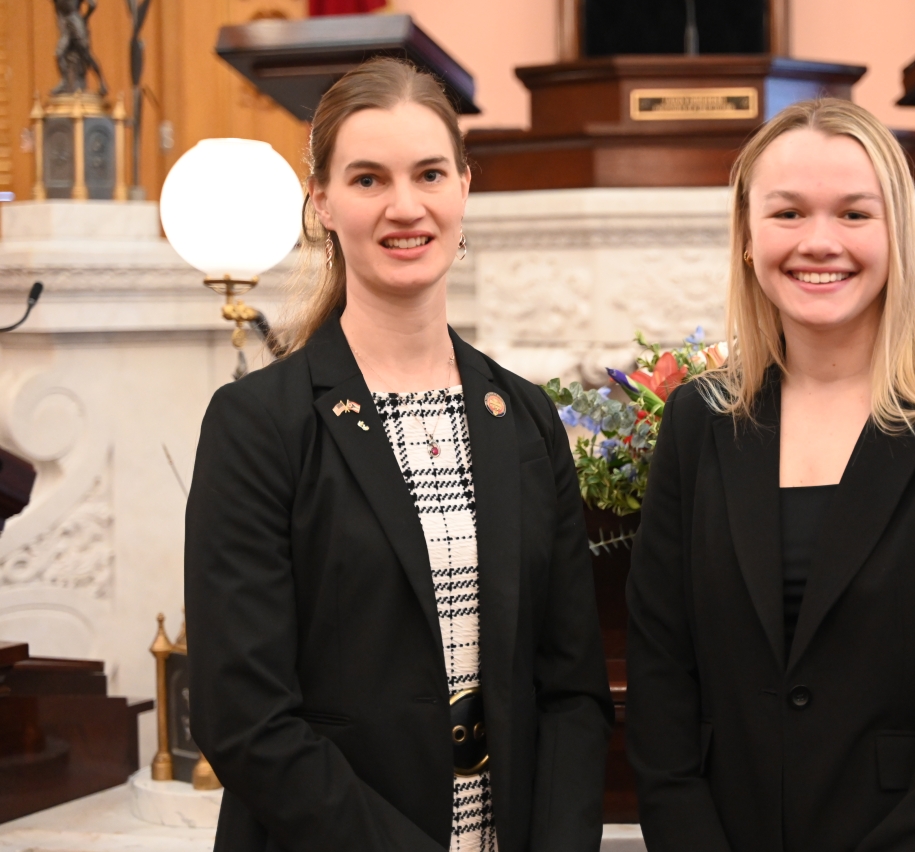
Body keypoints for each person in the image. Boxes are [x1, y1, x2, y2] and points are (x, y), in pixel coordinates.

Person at [186, 57, 612, 852]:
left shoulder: (523, 418)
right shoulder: (259, 424)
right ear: (322, 204)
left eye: (429, 173)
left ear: (464, 189)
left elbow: (571, 692)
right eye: (369, 179)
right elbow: (242, 715)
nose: (405, 206)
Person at [626, 98, 915, 852]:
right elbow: (662, 675)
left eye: (854, 214)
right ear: (746, 236)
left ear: (901, 234)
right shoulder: (699, 423)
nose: (819, 242)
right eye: (788, 213)